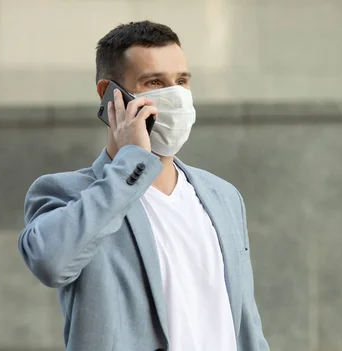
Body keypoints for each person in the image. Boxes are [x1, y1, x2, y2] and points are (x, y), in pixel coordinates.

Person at [18, 21, 269, 351]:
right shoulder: (67, 193)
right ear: (110, 95)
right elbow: (51, 264)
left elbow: (246, 320)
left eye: (181, 81)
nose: (176, 96)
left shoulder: (222, 196)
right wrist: (131, 163)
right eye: (155, 82)